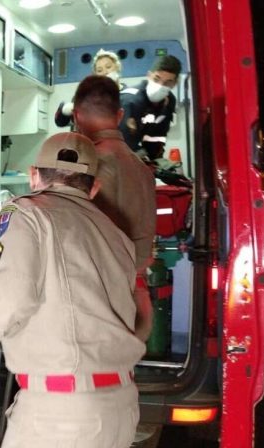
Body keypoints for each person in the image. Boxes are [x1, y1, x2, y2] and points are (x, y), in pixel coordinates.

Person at [0, 132, 146, 448]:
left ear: (34, 175)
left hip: (62, 416)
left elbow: (7, 298)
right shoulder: (115, 234)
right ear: (93, 188)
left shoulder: (28, 213)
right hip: (119, 410)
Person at [72, 74, 156, 342]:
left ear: (76, 115)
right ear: (119, 115)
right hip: (138, 300)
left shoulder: (84, 166)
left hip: (99, 301)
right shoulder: (142, 168)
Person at [119, 54, 182, 161]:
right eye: (156, 79)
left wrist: (155, 160)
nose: (160, 85)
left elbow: (158, 134)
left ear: (174, 84)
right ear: (149, 75)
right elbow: (123, 141)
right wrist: (141, 156)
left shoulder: (169, 102)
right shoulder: (130, 100)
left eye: (168, 82)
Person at [55, 49, 124, 128]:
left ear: (117, 67)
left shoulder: (130, 95)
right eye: (99, 70)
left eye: (108, 67)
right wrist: (65, 109)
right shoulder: (86, 96)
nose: (105, 72)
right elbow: (60, 122)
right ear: (96, 75)